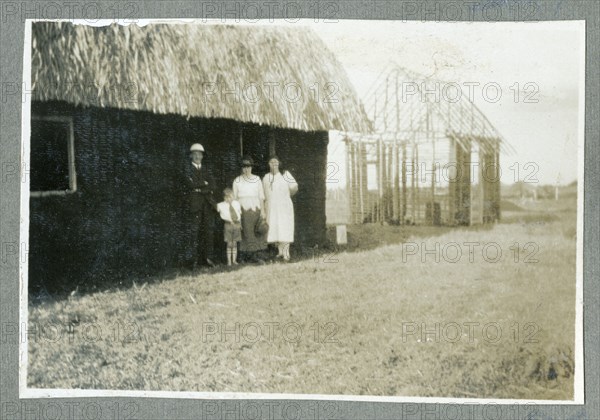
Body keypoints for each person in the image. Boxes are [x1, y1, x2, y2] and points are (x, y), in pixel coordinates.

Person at [182, 143, 217, 268]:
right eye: (195, 154)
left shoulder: (207, 169)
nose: (197, 156)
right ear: (191, 156)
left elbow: (213, 185)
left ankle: (208, 259)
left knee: (208, 231)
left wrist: (200, 188)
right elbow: (190, 184)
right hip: (194, 205)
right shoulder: (187, 169)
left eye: (200, 154)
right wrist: (204, 184)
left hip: (207, 205)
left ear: (202, 156)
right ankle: (193, 261)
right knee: (193, 232)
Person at [262, 156, 298, 261]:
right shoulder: (266, 177)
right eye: (271, 162)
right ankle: (280, 252)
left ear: (279, 163)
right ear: (268, 164)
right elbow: (264, 193)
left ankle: (287, 253)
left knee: (284, 228)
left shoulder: (285, 174)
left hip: (284, 207)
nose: (273, 164)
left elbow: (294, 188)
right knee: (275, 228)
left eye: (276, 162)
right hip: (272, 207)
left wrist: (286, 197)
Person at [232, 156, 267, 262]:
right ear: (241, 168)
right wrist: (237, 214)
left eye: (248, 167)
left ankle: (258, 255)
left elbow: (261, 196)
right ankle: (247, 256)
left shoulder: (257, 179)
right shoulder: (237, 180)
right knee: (246, 233)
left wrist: (263, 211)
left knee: (258, 232)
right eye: (244, 167)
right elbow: (234, 199)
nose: (246, 169)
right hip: (243, 209)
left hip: (256, 208)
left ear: (251, 167)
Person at [217, 188, 242, 266]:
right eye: (226, 197)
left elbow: (239, 214)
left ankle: (234, 260)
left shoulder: (237, 203)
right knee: (229, 243)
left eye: (230, 197)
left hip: (236, 224)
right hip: (228, 225)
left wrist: (240, 224)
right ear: (224, 198)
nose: (229, 199)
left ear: (233, 196)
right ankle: (229, 261)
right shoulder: (221, 205)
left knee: (234, 243)